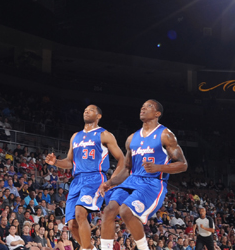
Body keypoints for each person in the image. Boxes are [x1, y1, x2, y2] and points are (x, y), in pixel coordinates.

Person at [97, 100, 188, 250]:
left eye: (149, 106)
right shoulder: (132, 138)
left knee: (125, 211)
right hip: (132, 180)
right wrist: (110, 182)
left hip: (152, 183)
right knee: (109, 209)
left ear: (157, 114)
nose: (143, 108)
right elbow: (127, 169)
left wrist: (159, 167)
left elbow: (183, 165)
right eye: (142, 106)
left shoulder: (165, 135)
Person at [45, 105, 125, 250]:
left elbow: (122, 159)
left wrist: (111, 181)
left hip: (94, 178)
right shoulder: (75, 136)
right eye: (85, 110)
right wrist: (56, 162)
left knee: (80, 212)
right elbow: (69, 161)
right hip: (76, 180)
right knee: (71, 223)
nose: (86, 111)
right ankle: (90, 248)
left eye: (91, 110)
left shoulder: (104, 135)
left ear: (99, 116)